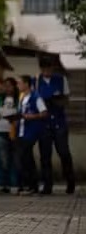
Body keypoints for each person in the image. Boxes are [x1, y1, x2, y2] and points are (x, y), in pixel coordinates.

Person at [36, 56, 76, 195]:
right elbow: (36, 101)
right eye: (44, 69)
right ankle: (47, 185)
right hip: (44, 123)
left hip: (59, 122)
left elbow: (65, 100)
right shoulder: (36, 81)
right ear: (41, 69)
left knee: (63, 152)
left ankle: (70, 181)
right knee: (45, 155)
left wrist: (53, 100)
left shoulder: (61, 79)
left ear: (53, 68)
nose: (47, 71)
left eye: (49, 68)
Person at [15, 75, 48, 196]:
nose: (17, 85)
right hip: (21, 131)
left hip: (31, 131)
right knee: (24, 158)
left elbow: (44, 113)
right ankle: (28, 184)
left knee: (26, 157)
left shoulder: (36, 97)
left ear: (27, 84)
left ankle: (33, 185)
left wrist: (31, 117)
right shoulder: (22, 98)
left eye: (19, 83)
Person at [0, 77, 19, 193]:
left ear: (14, 87)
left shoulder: (19, 99)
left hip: (15, 132)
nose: (7, 88)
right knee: (3, 159)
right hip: (0, 130)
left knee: (16, 159)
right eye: (5, 85)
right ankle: (5, 184)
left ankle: (18, 183)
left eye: (9, 85)